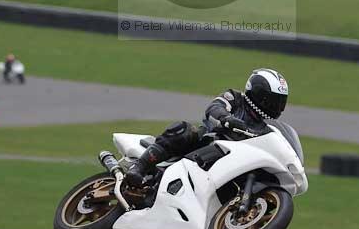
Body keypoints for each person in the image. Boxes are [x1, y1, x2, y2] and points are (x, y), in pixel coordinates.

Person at [124, 68, 290, 188]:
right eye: (274, 100)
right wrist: (226, 118)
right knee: (185, 130)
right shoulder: (235, 97)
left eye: (281, 101)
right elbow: (214, 108)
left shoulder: (266, 129)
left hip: (230, 162)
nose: (278, 106)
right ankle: (139, 167)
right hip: (205, 144)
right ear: (259, 94)